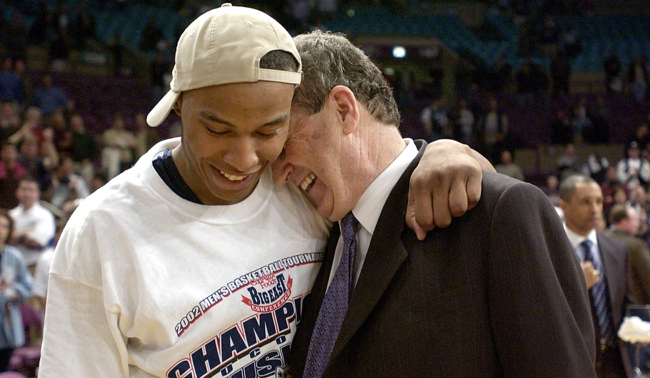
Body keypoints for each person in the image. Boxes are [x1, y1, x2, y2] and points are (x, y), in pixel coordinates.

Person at [39, 5, 491, 377]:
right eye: (217, 129)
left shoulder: (299, 187)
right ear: (179, 104)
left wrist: (442, 152)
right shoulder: (101, 233)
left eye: (268, 131)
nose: (244, 159)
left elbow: (394, 178)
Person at [278, 30, 596, 377]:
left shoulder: (498, 212)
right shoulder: (319, 232)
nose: (279, 171)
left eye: (285, 139)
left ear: (343, 110)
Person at [559, 175, 635, 378]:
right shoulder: (549, 252)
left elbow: (626, 302)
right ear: (563, 206)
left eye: (599, 201)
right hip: (573, 361)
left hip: (615, 362)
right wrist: (578, 287)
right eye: (586, 202)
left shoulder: (618, 249)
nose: (595, 209)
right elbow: (541, 312)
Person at [0, 209, 33, 372]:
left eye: (4, 226)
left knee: (5, 368)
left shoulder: (13, 255)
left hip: (8, 321)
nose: (1, 230)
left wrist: (12, 292)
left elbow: (27, 285)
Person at [605, 204, 650, 305]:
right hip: (635, 307)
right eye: (634, 220)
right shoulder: (636, 246)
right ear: (624, 222)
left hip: (607, 306)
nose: (637, 224)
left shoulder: (600, 241)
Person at [9, 176, 56, 267]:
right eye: (24, 189)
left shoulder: (45, 215)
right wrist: (24, 233)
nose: (27, 194)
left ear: (38, 194)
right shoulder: (11, 215)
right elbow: (5, 241)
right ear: (17, 192)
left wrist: (14, 236)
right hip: (13, 265)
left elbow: (37, 243)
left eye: (31, 190)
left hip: (35, 265)